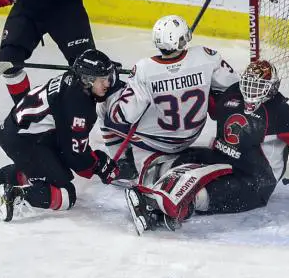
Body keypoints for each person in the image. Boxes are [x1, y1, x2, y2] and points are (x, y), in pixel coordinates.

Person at [124, 59, 289, 234]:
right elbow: (203, 104)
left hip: (255, 180)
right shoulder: (231, 93)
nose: (250, 91)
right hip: (222, 158)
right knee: (185, 156)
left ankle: (172, 208)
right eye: (248, 84)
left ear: (273, 88)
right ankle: (159, 192)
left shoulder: (281, 111)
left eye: (259, 86)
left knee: (211, 192)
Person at [0, 49, 121, 222]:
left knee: (60, 169)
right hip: (22, 140)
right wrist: (99, 165)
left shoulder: (74, 80)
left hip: (26, 132)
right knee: (66, 195)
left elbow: (69, 148)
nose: (107, 84)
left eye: (107, 78)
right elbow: (76, 157)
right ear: (87, 80)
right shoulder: (78, 106)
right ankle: (13, 195)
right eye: (103, 80)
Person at [97, 14, 239, 183]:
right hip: (191, 135)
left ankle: (123, 163)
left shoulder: (144, 69)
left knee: (103, 108)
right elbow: (233, 86)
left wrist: (115, 87)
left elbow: (125, 115)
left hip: (159, 142)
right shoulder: (205, 56)